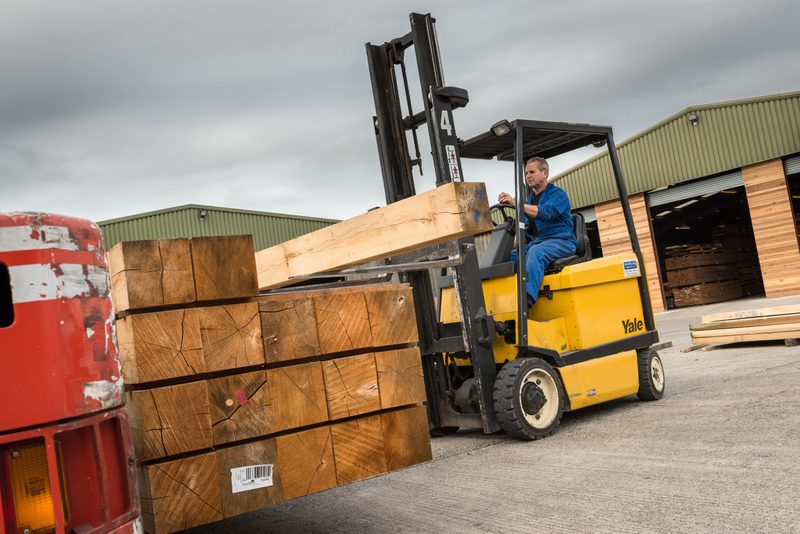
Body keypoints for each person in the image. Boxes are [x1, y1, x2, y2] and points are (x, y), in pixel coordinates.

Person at [498, 156, 577, 306]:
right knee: (506, 256)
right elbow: (526, 233)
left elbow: (546, 212)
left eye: (532, 172)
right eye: (527, 173)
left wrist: (515, 203)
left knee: (536, 253)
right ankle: (502, 301)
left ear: (545, 173)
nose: (528, 176)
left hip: (561, 241)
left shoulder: (558, 195)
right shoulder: (529, 201)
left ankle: (525, 301)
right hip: (538, 242)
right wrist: (503, 246)